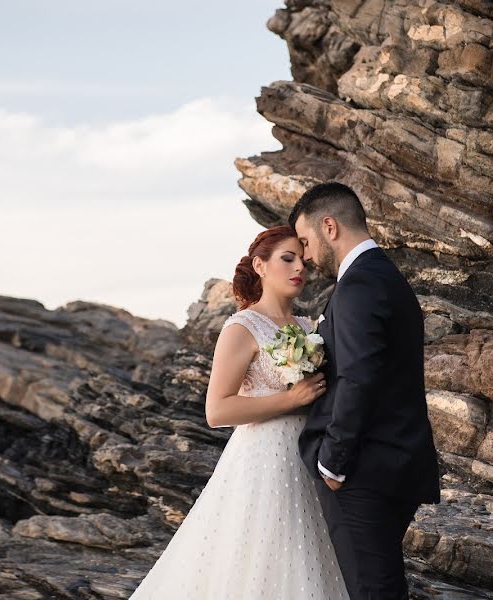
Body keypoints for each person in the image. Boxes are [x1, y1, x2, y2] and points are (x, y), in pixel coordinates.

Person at [130, 225, 349, 599]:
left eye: (302, 259)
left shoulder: (310, 327)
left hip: (310, 457)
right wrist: (290, 400)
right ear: (260, 266)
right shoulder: (241, 327)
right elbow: (217, 410)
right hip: (263, 460)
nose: (300, 267)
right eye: (287, 259)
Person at [289, 182, 441, 600]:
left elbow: (359, 376)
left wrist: (333, 463)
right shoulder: (386, 276)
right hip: (394, 461)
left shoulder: (357, 285)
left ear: (330, 226)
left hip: (361, 471)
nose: (305, 255)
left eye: (305, 241)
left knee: (373, 590)